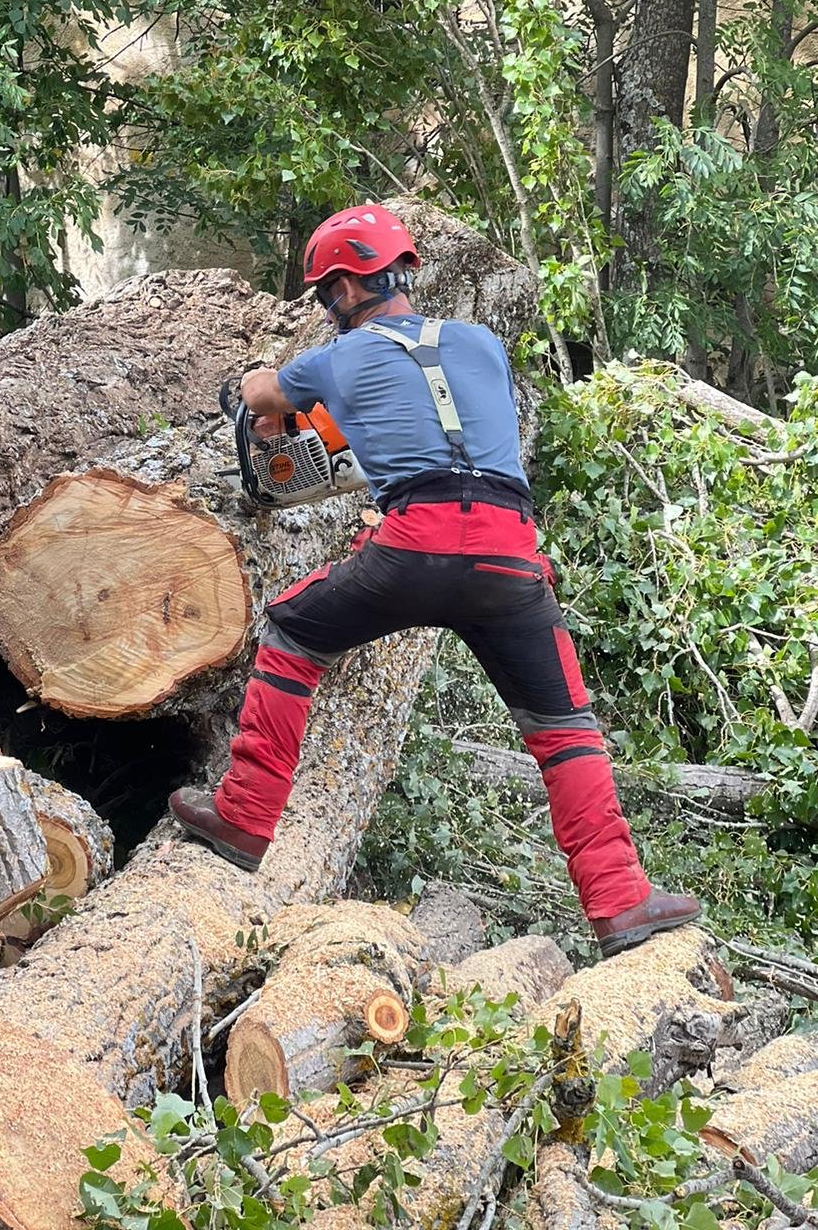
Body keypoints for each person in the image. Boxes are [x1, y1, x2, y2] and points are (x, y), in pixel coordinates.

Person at [170, 204, 701, 957]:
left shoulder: (329, 360)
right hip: (512, 554)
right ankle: (619, 901)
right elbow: (436, 411)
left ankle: (248, 816)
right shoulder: (481, 343)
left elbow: (262, 400)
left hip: (415, 542)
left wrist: (264, 388)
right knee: (564, 728)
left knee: (291, 627)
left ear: (345, 290)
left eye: (327, 294)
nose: (330, 306)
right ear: (406, 272)